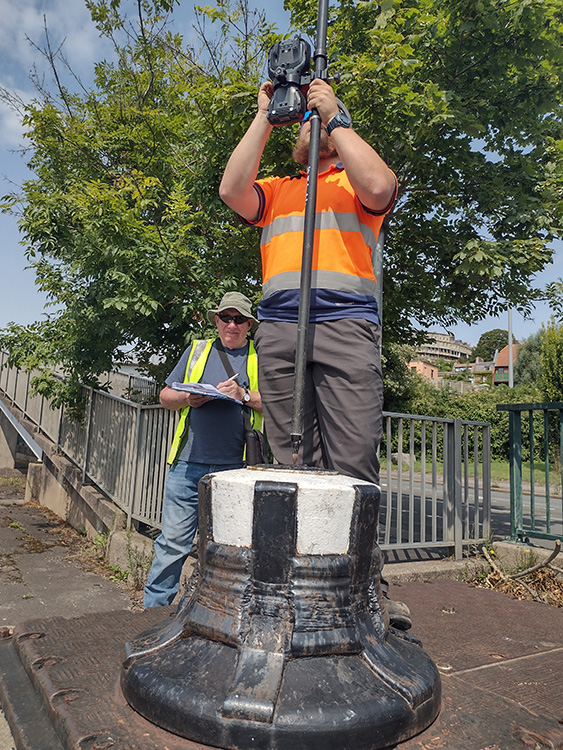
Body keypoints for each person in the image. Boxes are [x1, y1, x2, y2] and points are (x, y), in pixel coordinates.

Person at [219, 79, 412, 630]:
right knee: (292, 458)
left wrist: (336, 115)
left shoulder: (352, 179)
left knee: (353, 462)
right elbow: (233, 189)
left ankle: (365, 586)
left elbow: (381, 186)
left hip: (346, 325)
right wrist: (263, 115)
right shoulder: (279, 188)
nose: (310, 126)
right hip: (280, 328)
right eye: (303, 121)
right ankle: (305, 584)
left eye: (317, 121)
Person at [143, 291, 262, 608]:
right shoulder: (197, 351)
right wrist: (188, 398)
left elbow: (280, 406)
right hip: (187, 465)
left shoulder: (260, 357)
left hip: (237, 470)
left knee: (230, 550)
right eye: (226, 317)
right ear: (216, 320)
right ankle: (153, 616)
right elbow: (165, 396)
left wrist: (243, 394)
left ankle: (218, 614)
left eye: (238, 319)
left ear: (249, 325)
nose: (231, 325)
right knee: (172, 546)